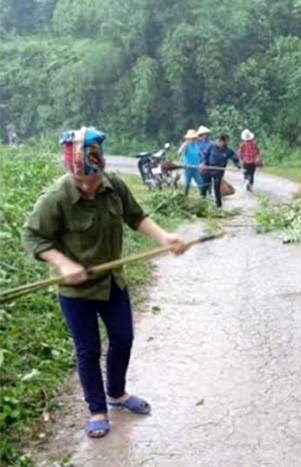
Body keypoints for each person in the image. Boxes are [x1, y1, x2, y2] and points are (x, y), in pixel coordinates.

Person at [21, 127, 189, 439]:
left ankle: (116, 393)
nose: (89, 186)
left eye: (94, 179)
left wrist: (164, 237)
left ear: (103, 168)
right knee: (88, 350)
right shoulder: (56, 198)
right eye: (82, 181)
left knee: (123, 339)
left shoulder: (113, 185)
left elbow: (136, 216)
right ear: (71, 171)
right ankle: (97, 409)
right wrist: (63, 263)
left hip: (112, 283)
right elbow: (32, 236)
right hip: (76, 291)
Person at [202, 133, 241, 207]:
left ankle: (218, 205)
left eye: (221, 141)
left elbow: (235, 158)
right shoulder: (211, 146)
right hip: (208, 169)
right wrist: (204, 163)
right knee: (204, 186)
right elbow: (205, 155)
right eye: (218, 141)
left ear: (224, 142)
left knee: (217, 187)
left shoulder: (228, 150)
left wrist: (237, 165)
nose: (219, 143)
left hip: (219, 171)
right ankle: (203, 203)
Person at [178, 129, 204, 196]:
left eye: (194, 138)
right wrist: (184, 145)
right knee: (187, 184)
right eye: (191, 138)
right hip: (188, 168)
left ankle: (202, 197)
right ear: (188, 138)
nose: (193, 140)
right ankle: (185, 197)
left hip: (196, 168)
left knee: (201, 183)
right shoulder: (186, 145)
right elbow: (179, 153)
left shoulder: (196, 146)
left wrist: (202, 163)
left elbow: (201, 155)